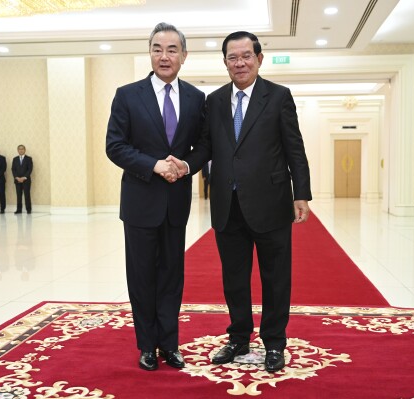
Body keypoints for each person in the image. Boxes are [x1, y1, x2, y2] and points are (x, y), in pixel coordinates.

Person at [171, 31, 312, 373]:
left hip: (272, 203)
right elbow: (206, 147)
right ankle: (238, 338)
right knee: (234, 277)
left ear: (259, 59)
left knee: (275, 277)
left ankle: (275, 343)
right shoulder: (215, 101)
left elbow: (295, 147)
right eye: (232, 58)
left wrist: (301, 193)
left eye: (246, 56)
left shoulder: (278, 97)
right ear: (225, 63)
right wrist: (186, 164)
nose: (240, 63)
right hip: (227, 204)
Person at [105, 22, 205, 371]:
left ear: (184, 55)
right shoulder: (127, 95)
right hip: (139, 201)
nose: (164, 56)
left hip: (176, 204)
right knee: (142, 276)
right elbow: (115, 146)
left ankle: (170, 344)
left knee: (171, 277)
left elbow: (203, 146)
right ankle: (147, 346)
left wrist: (187, 164)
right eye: (158, 49)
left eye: (172, 49)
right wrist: (154, 166)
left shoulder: (195, 98)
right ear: (149, 53)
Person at [11, 144, 33, 214]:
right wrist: (16, 177)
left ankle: (28, 209)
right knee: (18, 195)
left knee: (27, 195)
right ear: (18, 150)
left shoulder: (29, 159)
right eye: (19, 149)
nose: (21, 150)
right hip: (17, 180)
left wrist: (24, 177)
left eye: (22, 149)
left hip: (26, 180)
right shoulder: (15, 159)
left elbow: (30, 169)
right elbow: (13, 169)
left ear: (25, 150)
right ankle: (19, 209)